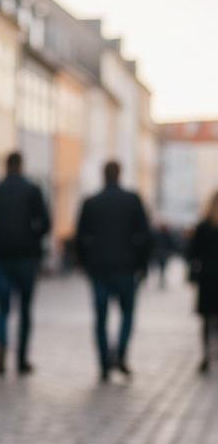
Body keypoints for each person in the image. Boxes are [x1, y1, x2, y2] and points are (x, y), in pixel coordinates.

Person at [0, 151, 51, 376]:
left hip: (2, 257)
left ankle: (0, 348)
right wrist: (32, 238)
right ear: (21, 166)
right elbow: (46, 223)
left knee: (2, 309)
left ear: (5, 166)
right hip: (26, 257)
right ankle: (21, 359)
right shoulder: (33, 190)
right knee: (26, 310)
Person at [75, 161, 151, 382]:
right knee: (127, 315)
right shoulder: (132, 200)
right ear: (120, 174)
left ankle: (104, 363)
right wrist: (142, 264)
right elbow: (146, 235)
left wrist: (85, 264)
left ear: (103, 175)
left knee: (100, 318)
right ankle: (121, 354)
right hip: (126, 268)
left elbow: (80, 237)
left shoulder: (91, 202)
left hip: (99, 269)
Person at [187, 192, 218, 374]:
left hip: (207, 278)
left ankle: (206, 354)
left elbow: (193, 253)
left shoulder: (203, 226)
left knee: (207, 319)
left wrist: (192, 275)